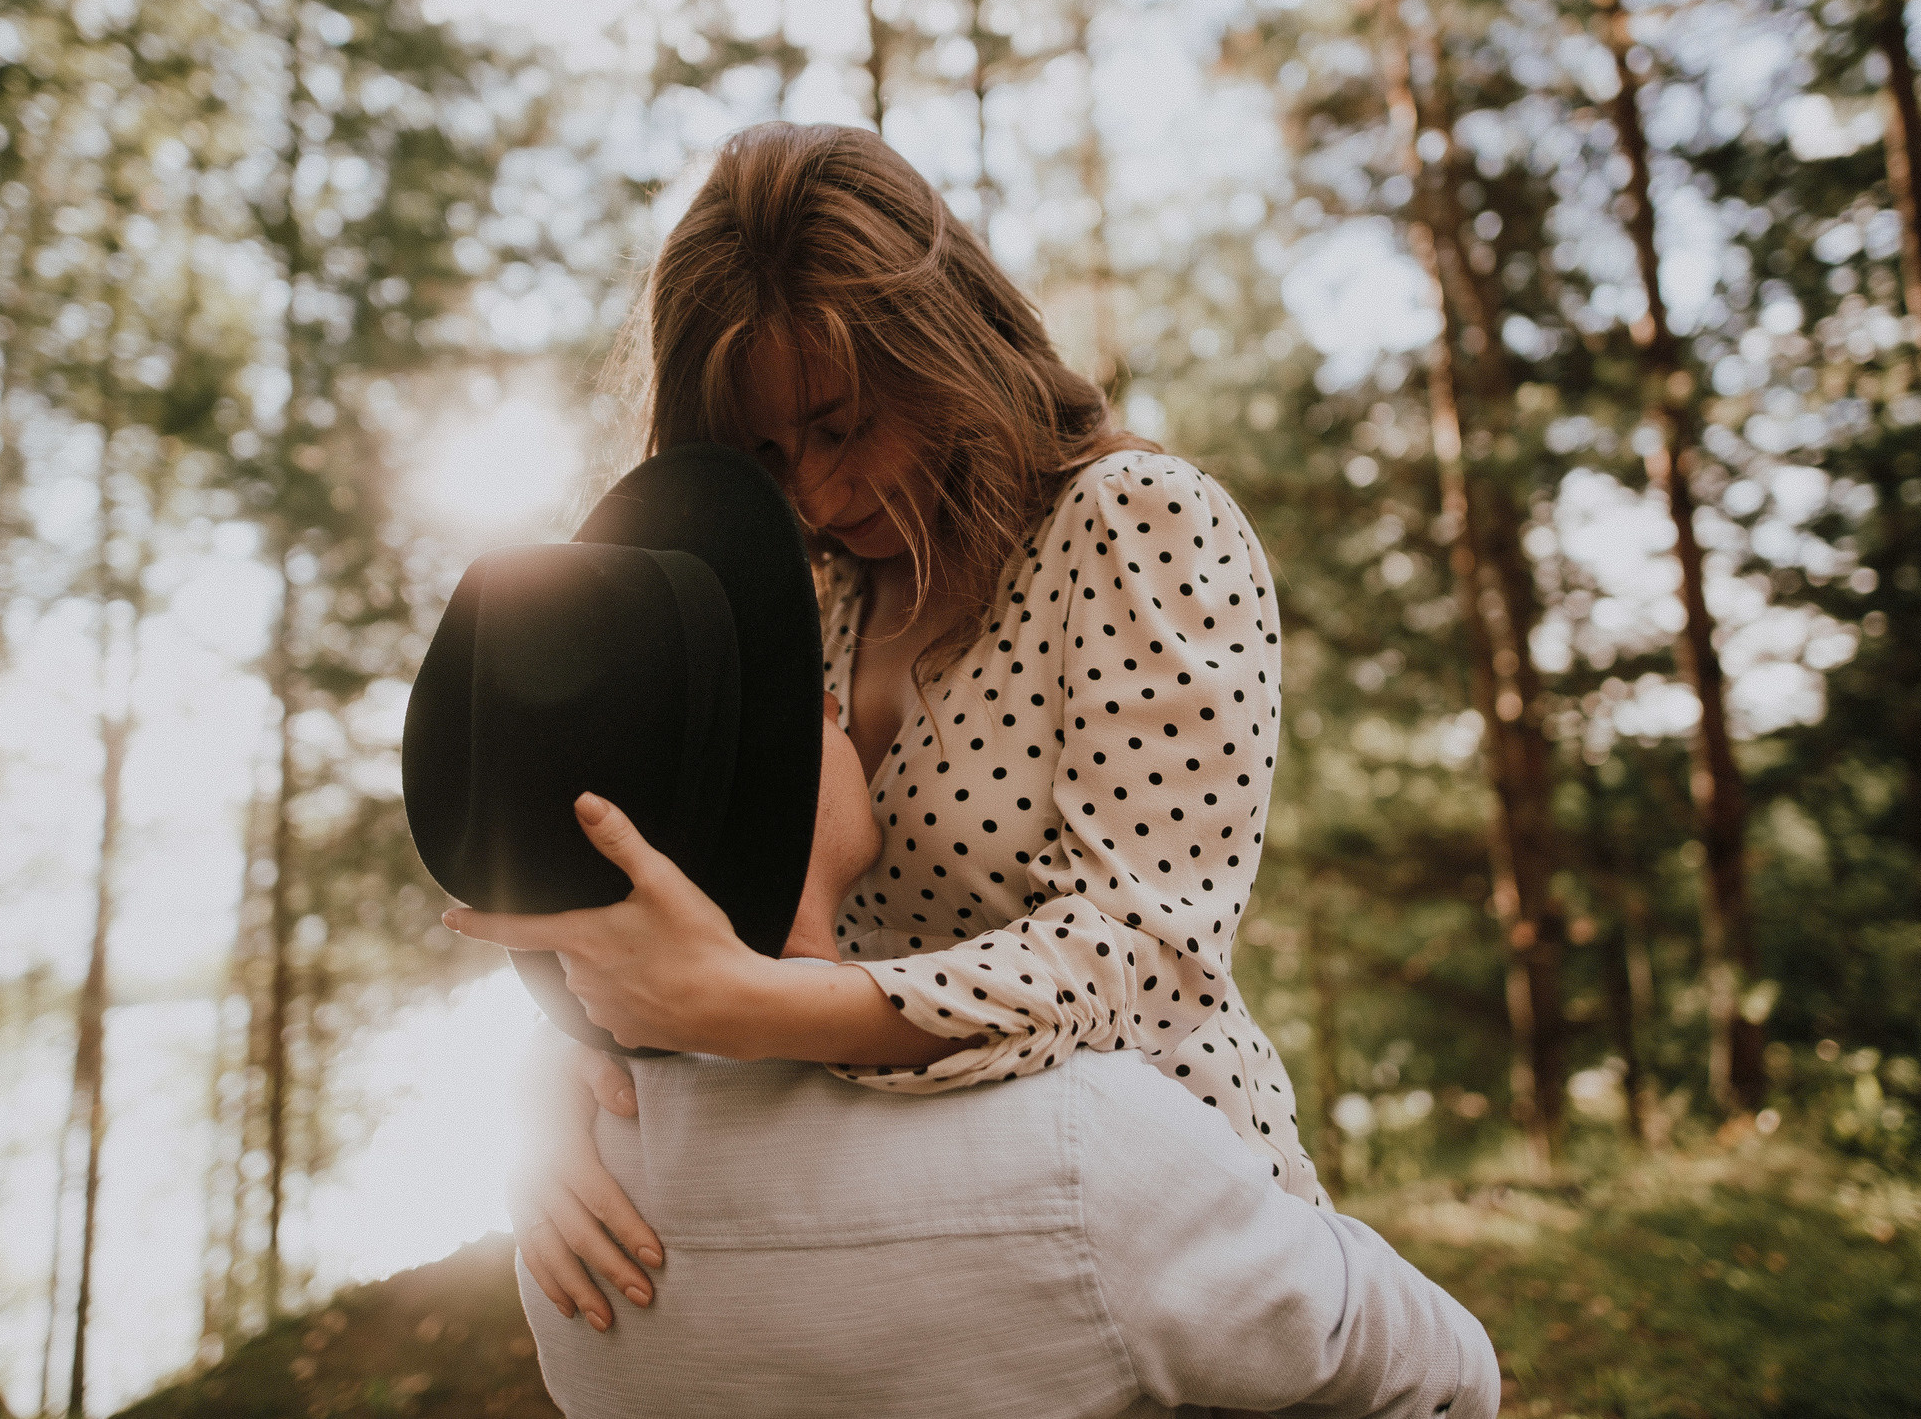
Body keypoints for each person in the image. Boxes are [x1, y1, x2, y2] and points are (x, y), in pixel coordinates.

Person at [407, 447, 1498, 1419]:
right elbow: (1445, 1374)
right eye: (811, 698)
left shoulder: (565, 1241)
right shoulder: (1086, 1149)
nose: (843, 699)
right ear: (786, 769)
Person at [495, 121, 1324, 1315]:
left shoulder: (1132, 525)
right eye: (764, 455)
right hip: (920, 1244)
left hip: (1176, 1232)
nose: (818, 491)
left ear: (942, 346)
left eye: (841, 425)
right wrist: (561, 1070)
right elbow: (694, 915)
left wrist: (772, 1007)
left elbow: (1145, 959)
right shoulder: (802, 602)